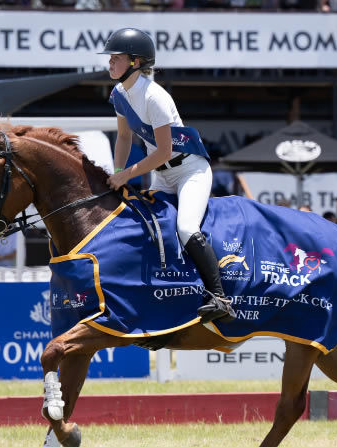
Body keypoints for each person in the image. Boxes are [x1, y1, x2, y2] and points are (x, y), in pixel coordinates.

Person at [99, 28, 236, 324]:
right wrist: (119, 172)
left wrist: (128, 176)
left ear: (135, 62)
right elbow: (123, 138)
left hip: (189, 171)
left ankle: (219, 297)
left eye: (115, 58)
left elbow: (163, 151)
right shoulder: (119, 94)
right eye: (109, 58)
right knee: (146, 226)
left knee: (186, 227)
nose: (109, 63)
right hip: (160, 176)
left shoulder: (155, 97)